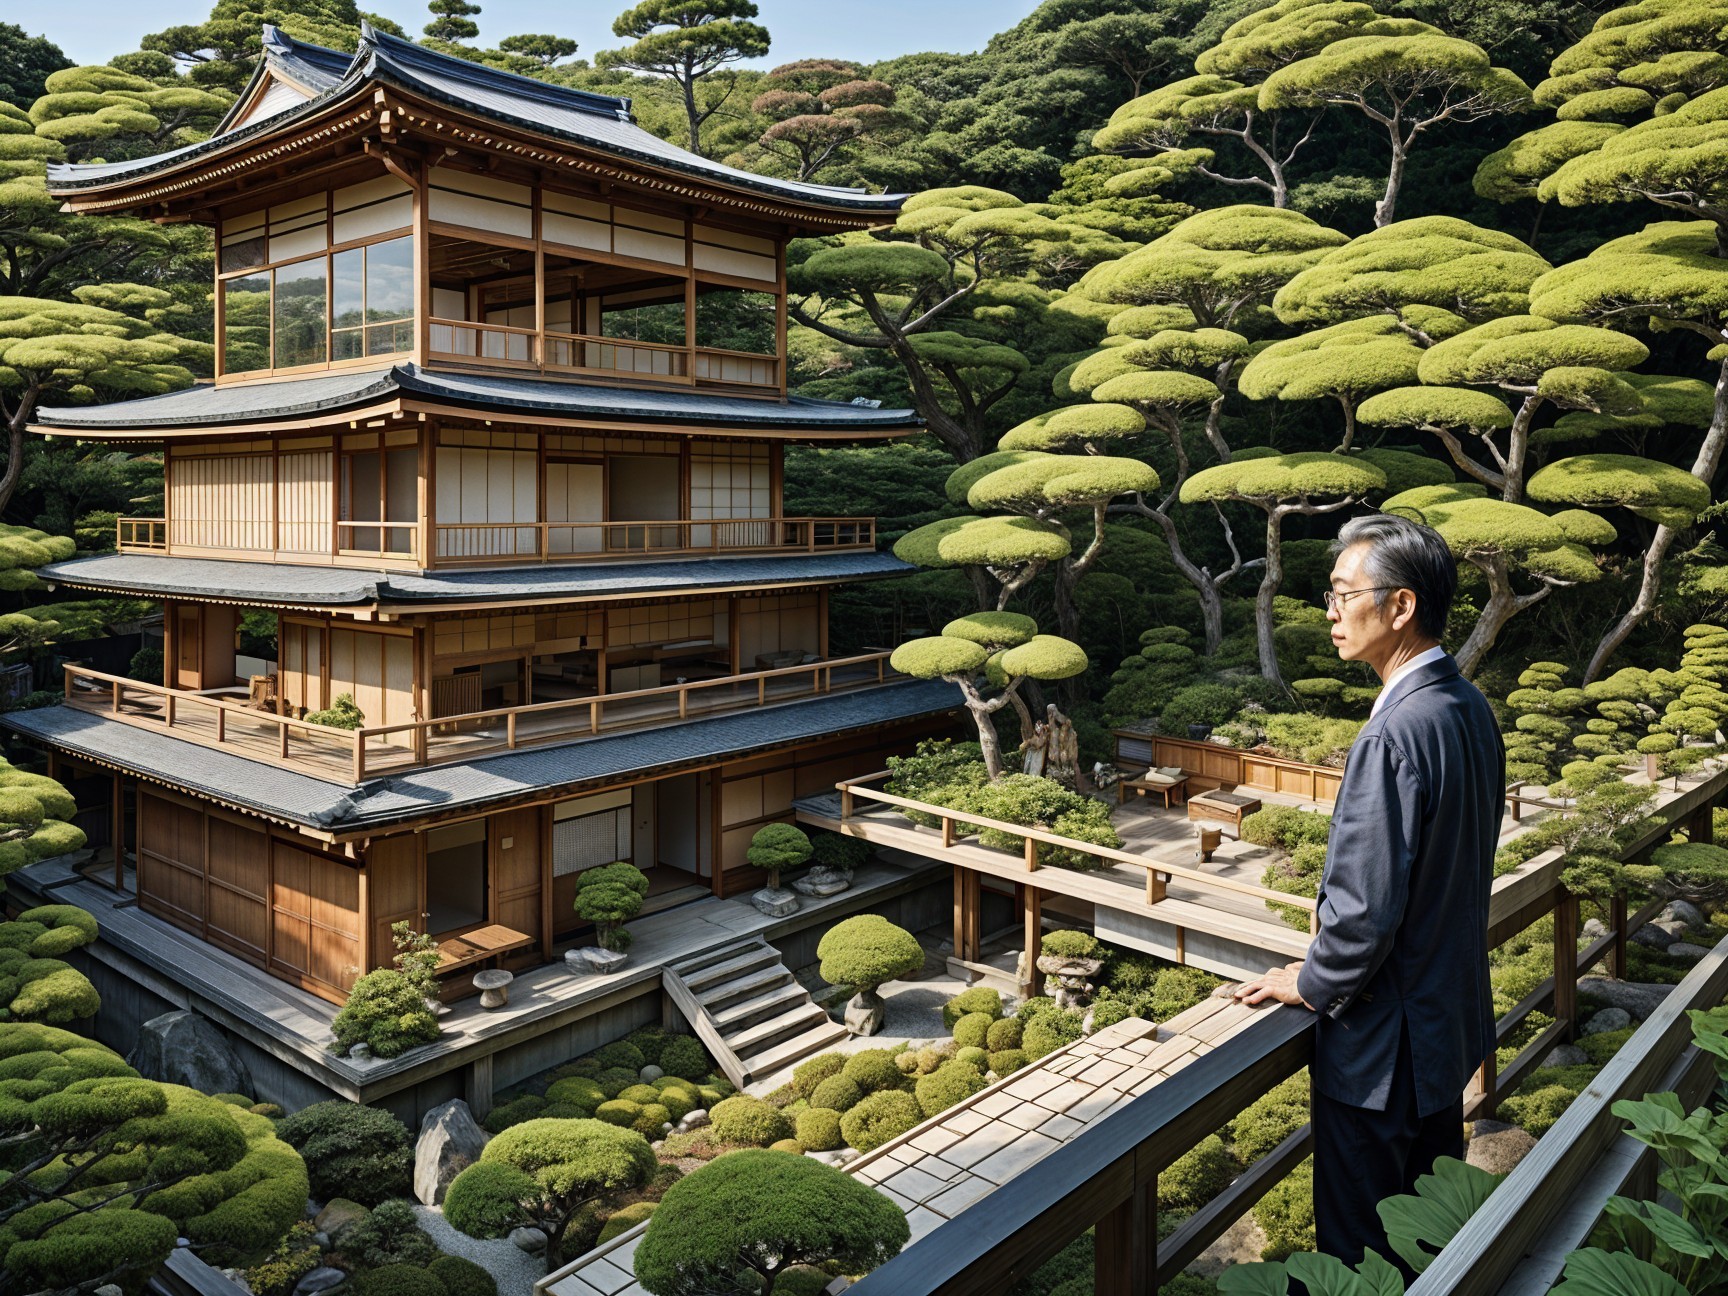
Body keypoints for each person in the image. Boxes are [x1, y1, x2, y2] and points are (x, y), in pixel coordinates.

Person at [1231, 513, 1505, 1276]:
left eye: (1343, 593)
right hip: (1441, 1033)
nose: (1328, 611)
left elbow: (1364, 911)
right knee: (1427, 1239)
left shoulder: (1393, 734)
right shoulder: (1468, 709)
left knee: (1361, 1258)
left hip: (1382, 1050)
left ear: (1401, 607)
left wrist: (1311, 981)